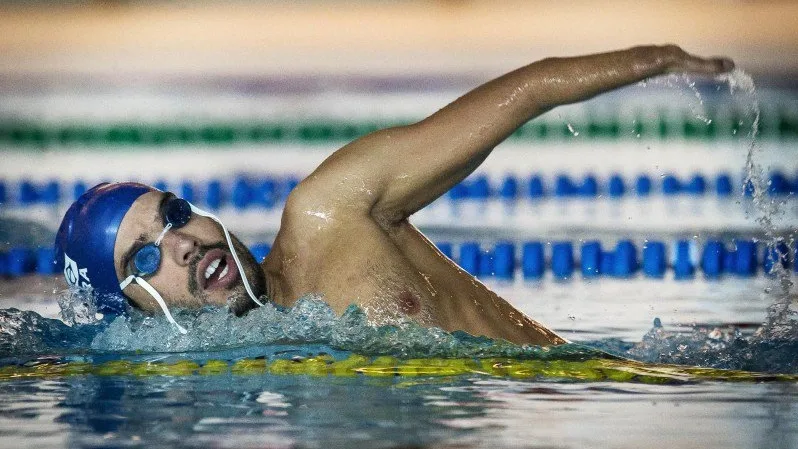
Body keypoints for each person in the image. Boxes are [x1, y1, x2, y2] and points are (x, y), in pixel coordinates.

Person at [54, 45, 733, 345]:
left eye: (172, 215)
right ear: (134, 316)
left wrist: (662, 60)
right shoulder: (263, 378)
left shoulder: (330, 209)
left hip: (598, 385)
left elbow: (531, 91)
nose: (180, 243)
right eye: (143, 261)